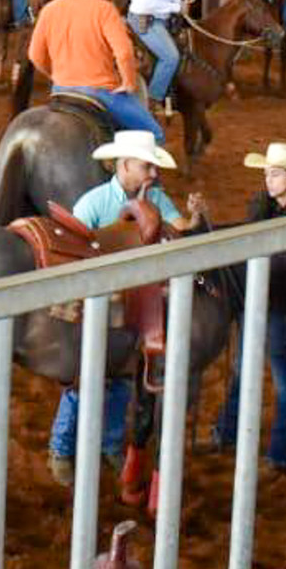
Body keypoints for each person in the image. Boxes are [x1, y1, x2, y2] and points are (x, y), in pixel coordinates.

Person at [46, 130, 204, 484]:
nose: (152, 174)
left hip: (132, 307)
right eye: (147, 166)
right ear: (125, 164)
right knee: (81, 380)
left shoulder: (157, 198)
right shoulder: (93, 203)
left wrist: (194, 219)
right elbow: (72, 253)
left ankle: (108, 445)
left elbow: (180, 229)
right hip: (99, 305)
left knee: (120, 380)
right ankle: (61, 448)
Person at [211, 142, 286, 470]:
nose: (268, 181)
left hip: (285, 307)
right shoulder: (263, 207)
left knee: (283, 379)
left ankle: (279, 454)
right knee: (243, 370)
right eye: (267, 174)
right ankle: (227, 433)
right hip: (258, 300)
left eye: (275, 174)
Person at [28, 0, 164, 141]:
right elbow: (124, 52)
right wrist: (128, 82)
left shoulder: (49, 10)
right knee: (155, 134)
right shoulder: (104, 9)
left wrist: (56, 74)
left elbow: (34, 55)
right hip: (100, 92)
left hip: (60, 91)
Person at [129, 0, 186, 113]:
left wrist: (180, 3)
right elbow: (145, 3)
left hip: (158, 18)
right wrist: (176, 8)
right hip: (144, 19)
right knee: (171, 57)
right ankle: (153, 100)